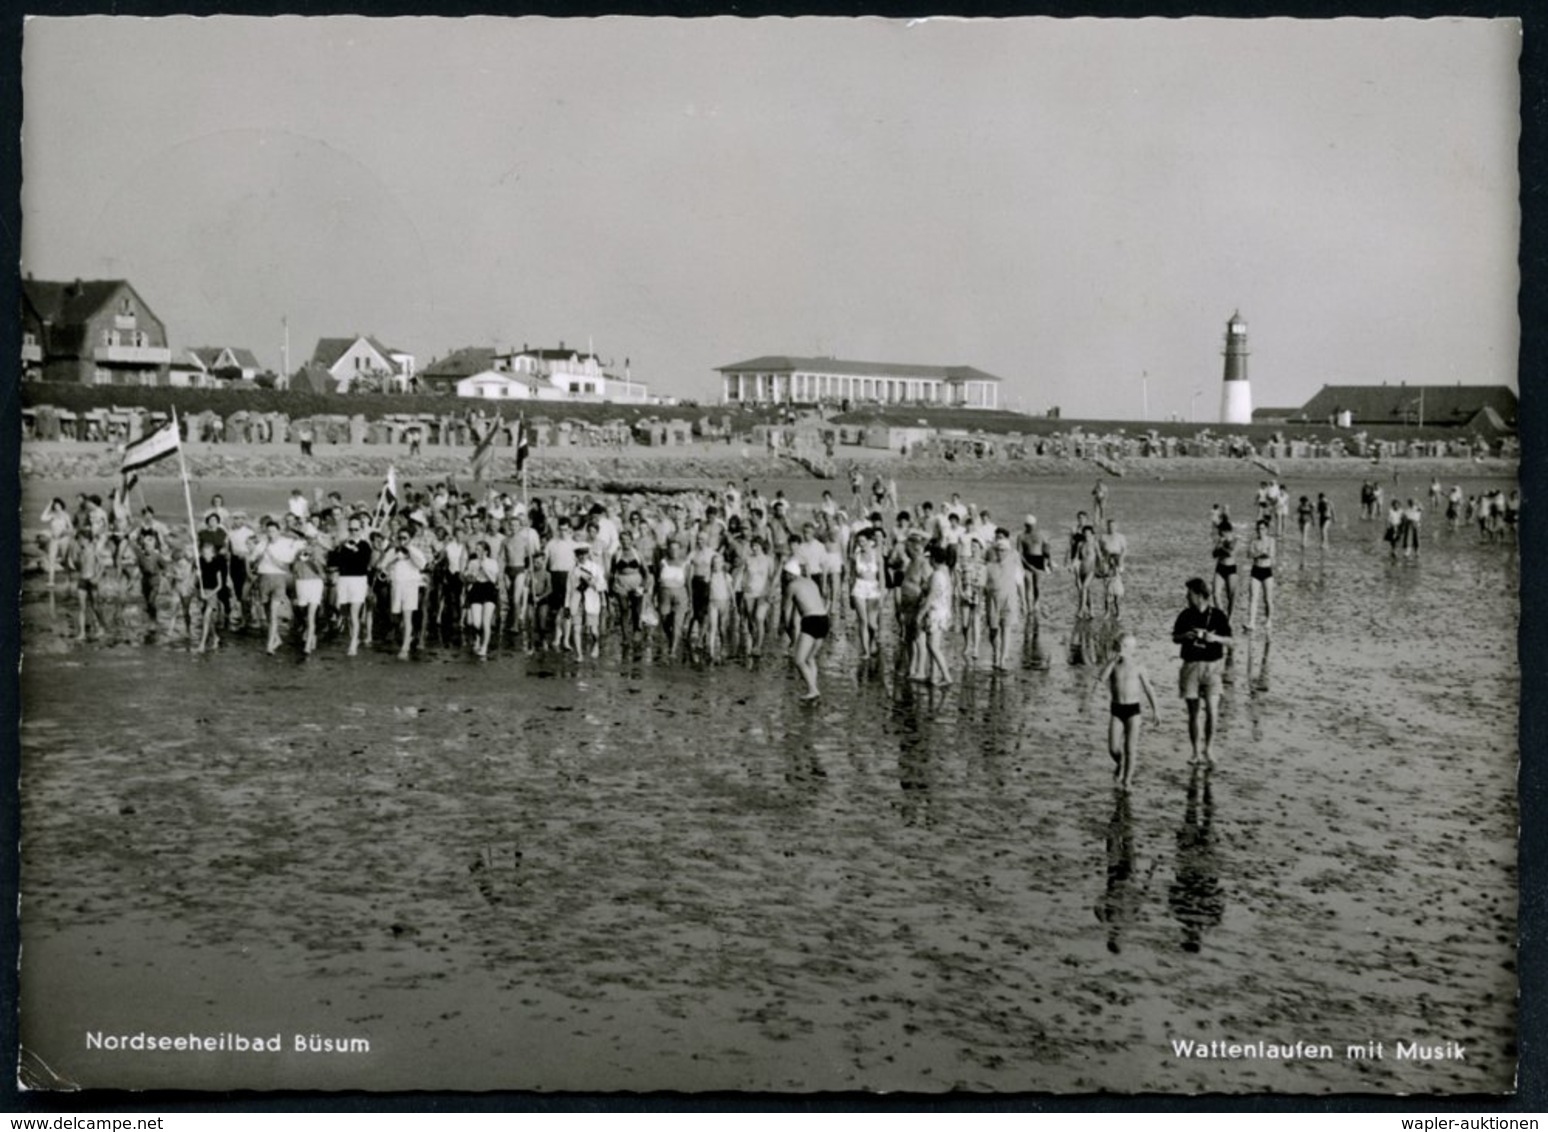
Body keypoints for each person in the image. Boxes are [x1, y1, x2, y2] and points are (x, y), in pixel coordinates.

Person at [1172, 577, 1233, 764]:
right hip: (1190, 666)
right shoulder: (1185, 615)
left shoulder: (1218, 615)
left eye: (1189, 593)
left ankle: (1209, 749)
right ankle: (1195, 751)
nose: (1186, 597)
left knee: (1212, 712)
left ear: (1199, 595)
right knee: (1193, 713)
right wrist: (1185, 636)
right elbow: (1175, 638)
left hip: (1213, 668)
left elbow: (1231, 641)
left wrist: (1215, 638)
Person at [1089, 632, 1160, 790]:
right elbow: (1101, 679)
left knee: (1130, 748)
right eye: (1117, 645)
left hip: (1133, 710)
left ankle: (1127, 780)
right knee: (1113, 748)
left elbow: (1149, 688)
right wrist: (1111, 662)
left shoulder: (1138, 666)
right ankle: (1120, 762)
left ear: (1130, 649)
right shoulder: (1113, 664)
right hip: (1117, 709)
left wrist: (1156, 710)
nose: (1118, 648)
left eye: (1121, 646)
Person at [781, 559, 828, 701]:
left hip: (811, 620)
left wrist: (787, 628)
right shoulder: (810, 581)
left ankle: (813, 690)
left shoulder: (792, 586)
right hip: (824, 619)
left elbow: (786, 610)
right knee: (810, 657)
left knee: (799, 660)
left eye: (785, 574)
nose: (784, 577)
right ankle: (812, 687)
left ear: (790, 574)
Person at [982, 529, 1023, 671]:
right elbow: (983, 586)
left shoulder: (1014, 563)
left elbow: (1019, 582)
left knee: (1006, 628)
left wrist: (1023, 602)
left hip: (1009, 599)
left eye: (1003, 550)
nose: (1000, 553)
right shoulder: (989, 565)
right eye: (998, 550)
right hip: (992, 600)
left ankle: (1002, 658)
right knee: (993, 630)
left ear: (1007, 551)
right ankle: (996, 651)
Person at [386, 528, 428, 659]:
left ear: (410, 539)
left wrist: (409, 552)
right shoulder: (393, 551)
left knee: (407, 617)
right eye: (400, 538)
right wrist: (394, 559)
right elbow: (382, 565)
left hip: (410, 586)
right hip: (396, 586)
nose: (402, 541)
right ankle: (408, 637)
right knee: (396, 618)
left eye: (405, 538)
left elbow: (422, 566)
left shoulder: (415, 551)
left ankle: (405, 647)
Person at [917, 544, 955, 686]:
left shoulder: (937, 575)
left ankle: (946, 676)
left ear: (933, 559)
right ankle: (934, 675)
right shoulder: (944, 573)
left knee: (933, 646)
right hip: (941, 611)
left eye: (930, 558)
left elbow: (931, 597)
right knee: (932, 644)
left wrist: (920, 614)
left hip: (936, 612)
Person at [849, 527, 884, 660]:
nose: (861, 544)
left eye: (863, 541)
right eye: (859, 542)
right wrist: (849, 596)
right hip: (859, 587)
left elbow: (881, 577)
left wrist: (882, 593)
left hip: (874, 588)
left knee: (872, 623)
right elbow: (852, 577)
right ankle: (866, 651)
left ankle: (872, 640)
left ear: (870, 541)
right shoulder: (856, 556)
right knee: (862, 621)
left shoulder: (877, 555)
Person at [956, 537, 986, 662]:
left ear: (981, 548)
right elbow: (957, 577)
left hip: (978, 593)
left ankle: (976, 648)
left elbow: (985, 581)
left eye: (976, 546)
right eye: (972, 546)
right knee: (965, 622)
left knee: (976, 621)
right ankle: (967, 644)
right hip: (965, 593)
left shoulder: (984, 564)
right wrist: (960, 591)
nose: (973, 548)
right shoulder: (964, 562)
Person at [292, 542, 325, 654]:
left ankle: (308, 644)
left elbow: (322, 573)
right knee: (303, 613)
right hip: (301, 584)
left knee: (311, 615)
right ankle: (312, 634)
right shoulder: (298, 555)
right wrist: (298, 557)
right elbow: (294, 570)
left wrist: (314, 559)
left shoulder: (317, 554)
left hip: (314, 584)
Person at [195, 540, 228, 652]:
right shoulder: (200, 562)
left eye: (208, 552)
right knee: (209, 620)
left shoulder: (216, 564)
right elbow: (197, 578)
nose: (205, 555)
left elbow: (219, 585)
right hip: (202, 591)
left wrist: (209, 594)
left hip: (212, 593)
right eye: (204, 552)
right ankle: (215, 637)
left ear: (213, 553)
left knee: (206, 617)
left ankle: (202, 644)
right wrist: (197, 574)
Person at [1017, 515, 1050, 617]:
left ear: (1035, 525)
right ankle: (1029, 607)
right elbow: (1019, 553)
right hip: (1027, 559)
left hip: (1038, 560)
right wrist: (1025, 564)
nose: (1030, 528)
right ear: (1025, 525)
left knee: (1037, 585)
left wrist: (1048, 562)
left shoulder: (1041, 535)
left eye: (1031, 526)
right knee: (1029, 584)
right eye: (1028, 526)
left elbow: (1047, 549)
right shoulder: (1021, 536)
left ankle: (1036, 603)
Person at [1246, 518, 1275, 632]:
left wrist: (1257, 554)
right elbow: (1249, 554)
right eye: (1258, 529)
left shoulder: (1271, 540)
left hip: (1267, 571)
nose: (1260, 531)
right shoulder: (1254, 541)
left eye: (1262, 529)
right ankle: (1252, 622)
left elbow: (1270, 554)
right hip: (1256, 570)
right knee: (1253, 597)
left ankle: (1269, 619)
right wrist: (1260, 553)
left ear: (1266, 529)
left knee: (1267, 599)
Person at [39, 498, 74, 589]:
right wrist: (49, 505)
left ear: (62, 505)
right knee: (51, 559)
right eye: (55, 506)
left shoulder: (66, 515)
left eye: (58, 505)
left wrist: (64, 532)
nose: (57, 507)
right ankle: (51, 581)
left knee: (64, 560)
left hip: (63, 539)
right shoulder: (52, 515)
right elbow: (42, 518)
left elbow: (71, 528)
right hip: (54, 539)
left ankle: (68, 579)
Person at [1211, 519, 1238, 620]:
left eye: (1221, 533)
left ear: (1227, 531)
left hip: (1231, 568)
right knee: (1215, 594)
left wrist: (1221, 548)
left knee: (1231, 596)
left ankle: (1230, 619)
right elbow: (1213, 554)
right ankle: (1222, 615)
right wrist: (1219, 547)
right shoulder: (1220, 540)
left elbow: (1231, 553)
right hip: (1220, 567)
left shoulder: (1234, 540)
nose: (1219, 535)